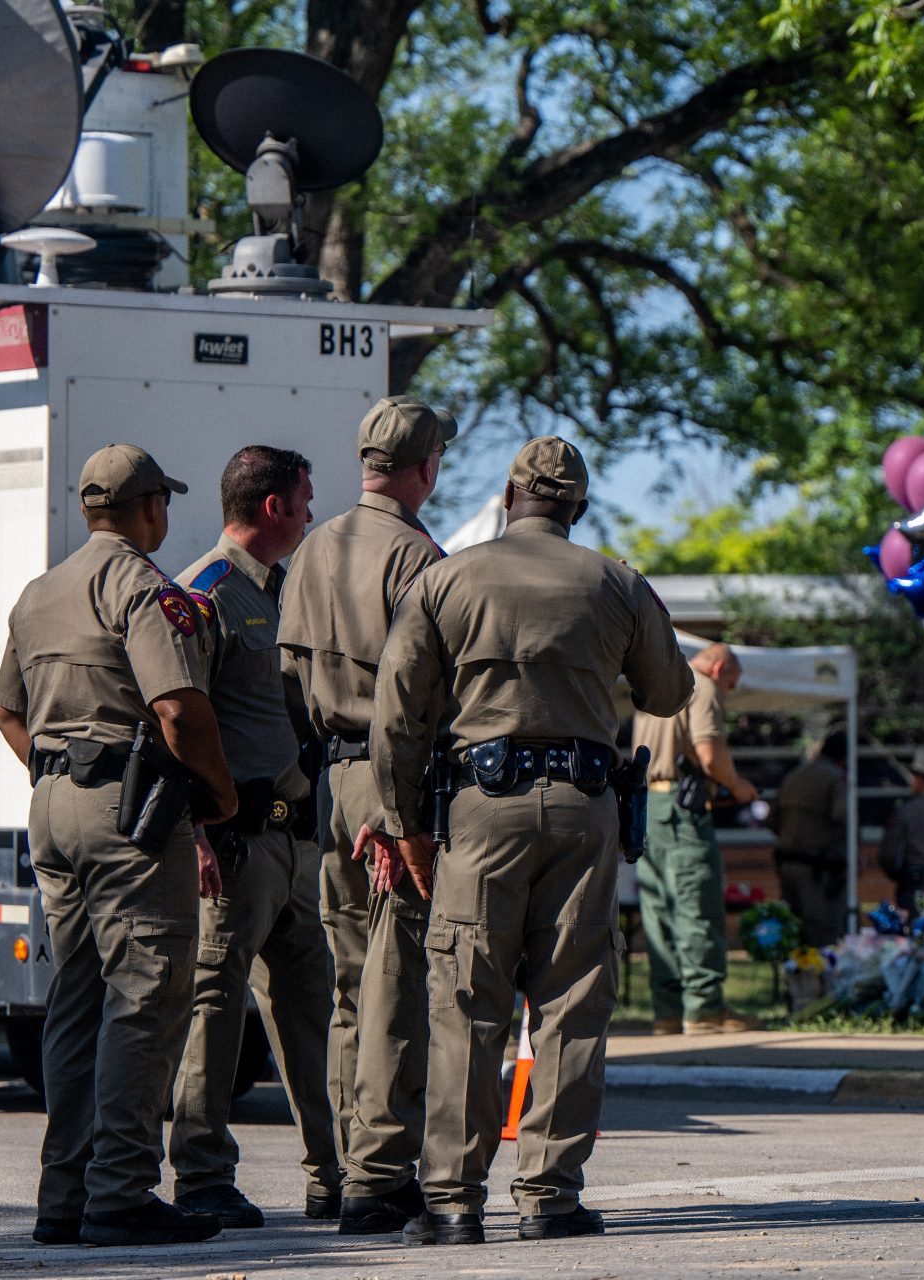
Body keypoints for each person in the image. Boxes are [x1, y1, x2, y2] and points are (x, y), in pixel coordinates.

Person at [358, 435, 692, 1245]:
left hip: (480, 809)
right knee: (574, 1003)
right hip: (584, 809)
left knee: (467, 1000)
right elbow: (670, 689)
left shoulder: (447, 579)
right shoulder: (617, 582)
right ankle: (549, 1197)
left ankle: (452, 1203)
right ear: (577, 507)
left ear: (510, 497)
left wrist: (405, 827)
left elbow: (397, 716)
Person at [0, 444, 238, 1247]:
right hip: (125, 812)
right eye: (163, 500)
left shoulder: (39, 592)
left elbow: (6, 713)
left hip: (52, 803)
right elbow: (178, 708)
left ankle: (64, 1194)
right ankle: (121, 1191)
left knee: (79, 996)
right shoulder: (138, 584)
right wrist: (221, 794)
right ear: (148, 509)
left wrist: (60, 770)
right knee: (149, 991)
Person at [278, 395, 454, 1234]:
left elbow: (284, 681)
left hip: (331, 779)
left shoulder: (314, 547)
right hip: (393, 786)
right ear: (425, 467)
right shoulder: (416, 556)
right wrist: (400, 810)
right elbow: (418, 696)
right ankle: (381, 1175)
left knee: (352, 985)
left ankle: (350, 1164)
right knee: (397, 983)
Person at [168, 446, 342, 1227]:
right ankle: (202, 1174)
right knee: (214, 1010)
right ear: (273, 507)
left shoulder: (282, 592)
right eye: (304, 500)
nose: (311, 513)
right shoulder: (204, 593)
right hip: (233, 845)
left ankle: (334, 1172)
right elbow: (171, 716)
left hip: (295, 841)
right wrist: (193, 832)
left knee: (313, 1012)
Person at [631, 643, 760, 1035]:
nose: (729, 693)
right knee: (696, 905)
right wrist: (739, 787)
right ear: (720, 667)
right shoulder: (701, 686)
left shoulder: (658, 685)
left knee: (659, 912)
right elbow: (709, 754)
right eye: (732, 684)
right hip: (684, 811)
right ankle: (704, 1008)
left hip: (649, 806)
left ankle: (668, 1011)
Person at [770, 730, 851, 947]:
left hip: (788, 865)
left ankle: (796, 981)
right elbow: (842, 817)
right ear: (844, 757)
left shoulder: (795, 775)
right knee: (824, 937)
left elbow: (772, 820)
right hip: (819, 871)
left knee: (793, 933)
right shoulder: (835, 778)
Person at [878, 746, 924, 913]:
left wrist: (899, 875)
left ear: (922, 779)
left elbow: (888, 854)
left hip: (914, 883)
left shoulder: (907, 810)